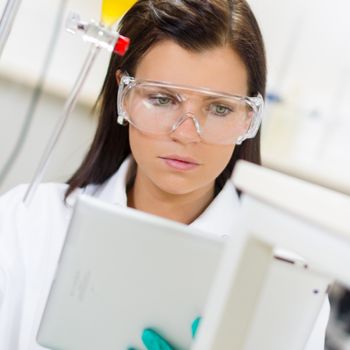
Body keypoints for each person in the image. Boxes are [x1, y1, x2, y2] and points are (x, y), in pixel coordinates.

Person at [0, 0, 329, 349]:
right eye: (161, 99)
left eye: (219, 109)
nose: (186, 134)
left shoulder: (283, 288)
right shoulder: (31, 221)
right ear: (123, 96)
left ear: (249, 117)